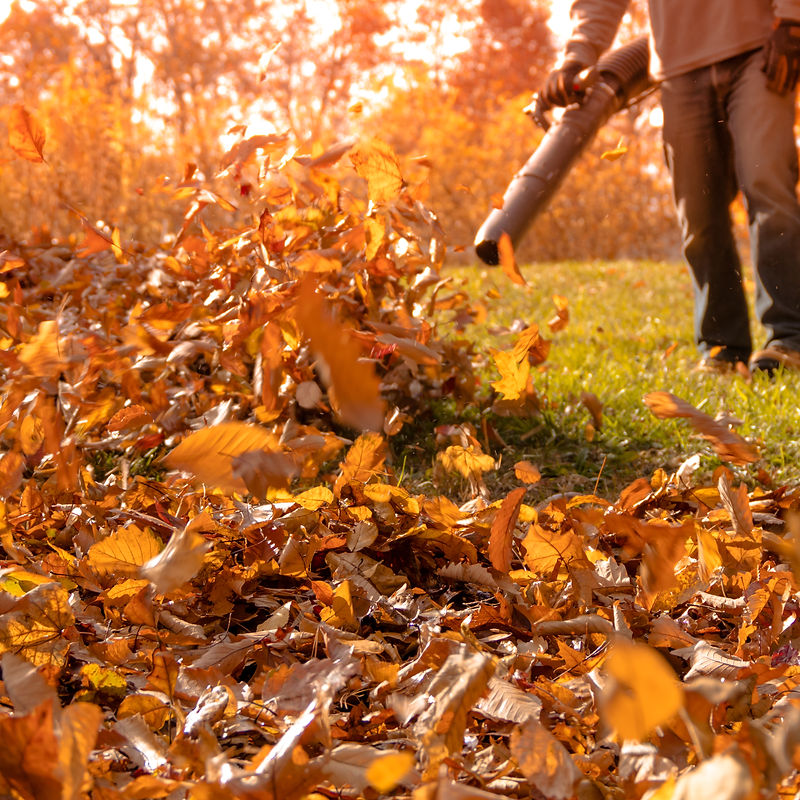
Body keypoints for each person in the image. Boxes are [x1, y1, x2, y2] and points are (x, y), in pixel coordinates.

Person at [541, 1, 800, 375]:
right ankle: (722, 349)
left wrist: (792, 18)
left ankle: (790, 338)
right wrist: (576, 56)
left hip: (760, 44)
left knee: (768, 185)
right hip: (680, 64)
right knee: (698, 212)